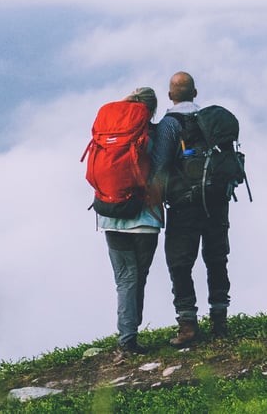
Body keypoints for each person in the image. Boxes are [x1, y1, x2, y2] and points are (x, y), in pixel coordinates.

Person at [152, 71, 231, 346]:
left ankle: (188, 325)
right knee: (217, 258)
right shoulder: (211, 120)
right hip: (216, 203)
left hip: (184, 205)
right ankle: (220, 319)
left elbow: (160, 166)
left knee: (180, 263)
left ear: (171, 95)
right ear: (195, 93)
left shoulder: (168, 125)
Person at [96, 86, 167, 356]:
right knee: (138, 276)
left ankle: (129, 333)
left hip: (110, 214)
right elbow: (161, 169)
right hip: (145, 218)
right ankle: (128, 337)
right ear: (151, 110)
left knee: (125, 278)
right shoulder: (152, 136)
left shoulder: (111, 131)